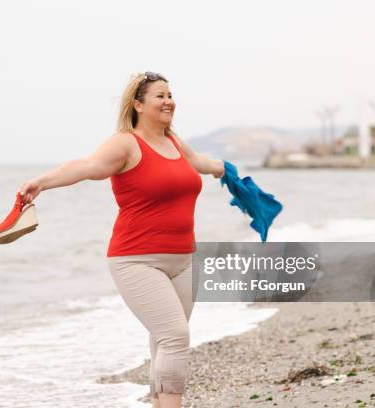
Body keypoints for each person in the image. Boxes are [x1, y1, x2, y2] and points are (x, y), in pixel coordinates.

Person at [19, 72, 224, 408]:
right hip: (137, 260)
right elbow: (87, 165)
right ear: (138, 104)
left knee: (164, 339)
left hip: (184, 259)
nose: (169, 101)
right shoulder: (126, 143)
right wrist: (44, 181)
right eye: (159, 95)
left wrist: (227, 172)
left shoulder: (174, 141)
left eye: (170, 94)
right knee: (175, 336)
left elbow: (199, 163)